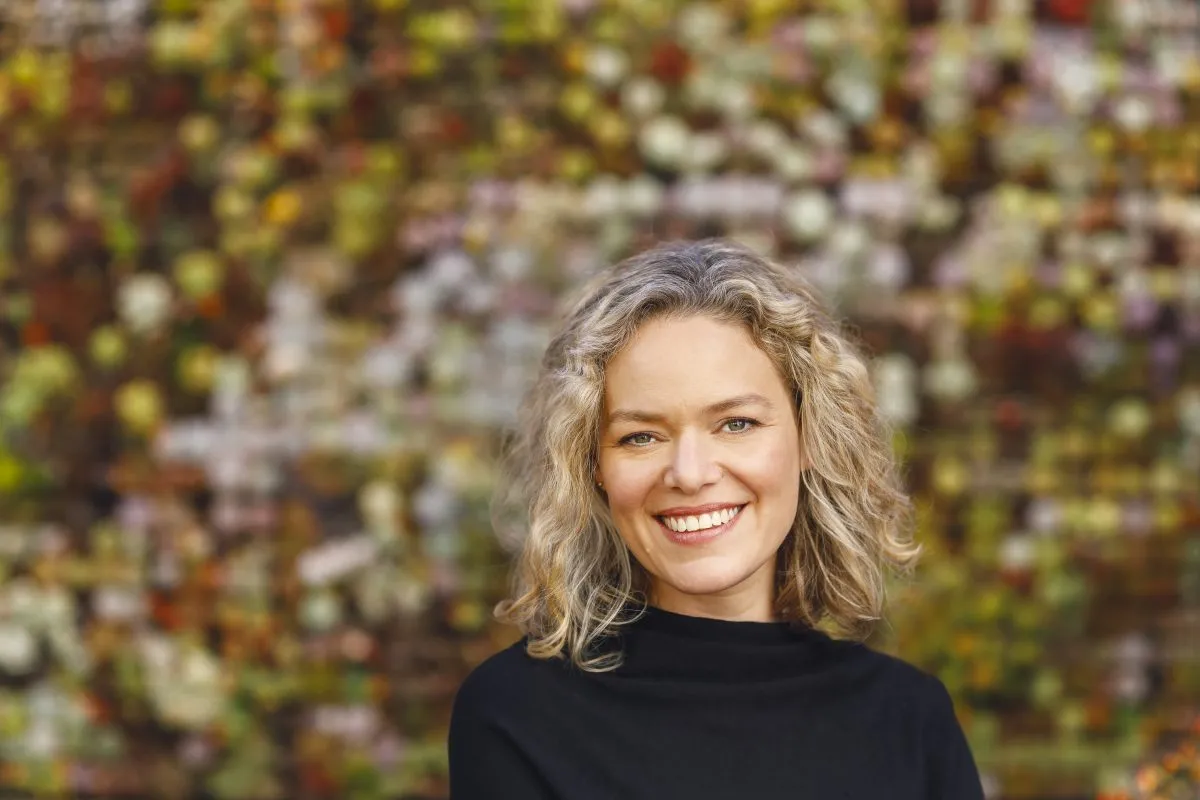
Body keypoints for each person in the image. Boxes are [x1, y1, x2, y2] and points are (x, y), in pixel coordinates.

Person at [447, 239, 985, 799]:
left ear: (809, 440)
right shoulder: (517, 715)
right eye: (641, 436)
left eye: (736, 424)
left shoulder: (909, 721)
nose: (690, 472)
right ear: (593, 467)